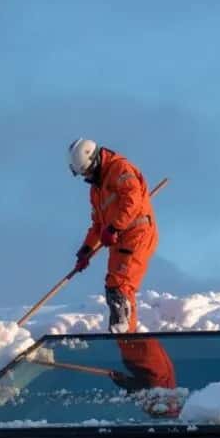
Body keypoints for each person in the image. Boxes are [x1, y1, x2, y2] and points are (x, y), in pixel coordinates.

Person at [68, 138, 158, 333]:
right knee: (115, 288)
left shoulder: (120, 169)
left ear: (95, 160)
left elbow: (131, 200)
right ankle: (126, 337)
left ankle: (123, 333)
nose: (87, 176)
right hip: (119, 239)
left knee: (119, 287)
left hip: (137, 233)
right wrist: (87, 249)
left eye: (88, 171)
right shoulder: (96, 190)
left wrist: (115, 227)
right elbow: (98, 224)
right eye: (83, 173)